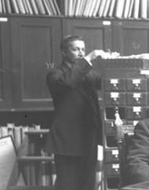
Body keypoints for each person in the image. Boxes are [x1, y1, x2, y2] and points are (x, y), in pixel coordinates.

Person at [44, 35, 108, 190]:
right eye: (76, 49)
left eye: (83, 49)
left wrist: (113, 64)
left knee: (87, 185)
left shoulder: (88, 73)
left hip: (88, 139)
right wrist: (89, 57)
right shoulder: (55, 74)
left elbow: (106, 82)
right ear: (64, 53)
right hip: (68, 143)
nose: (80, 53)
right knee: (68, 185)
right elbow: (68, 81)